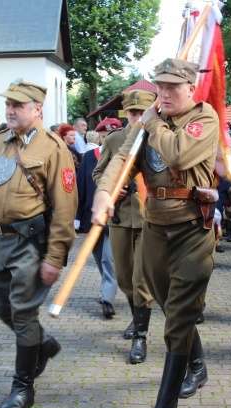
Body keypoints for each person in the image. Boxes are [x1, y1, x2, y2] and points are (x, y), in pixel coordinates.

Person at [91, 58, 219, 408]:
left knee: (178, 315)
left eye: (172, 87)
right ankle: (197, 364)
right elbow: (122, 160)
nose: (163, 93)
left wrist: (152, 122)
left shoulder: (203, 118)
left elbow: (177, 152)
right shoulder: (148, 121)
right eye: (160, 86)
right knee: (171, 307)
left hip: (193, 230)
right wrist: (105, 193)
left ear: (190, 89)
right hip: (155, 229)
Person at [0, 79, 77, 408]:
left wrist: (55, 257)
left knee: (23, 312)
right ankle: (42, 345)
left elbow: (64, 208)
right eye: (8, 104)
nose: (11, 110)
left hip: (29, 241)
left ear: (37, 109)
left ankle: (22, 387)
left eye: (18, 105)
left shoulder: (53, 148)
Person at [93, 89, 157, 364]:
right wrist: (110, 191)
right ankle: (136, 317)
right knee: (123, 276)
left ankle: (140, 336)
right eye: (131, 113)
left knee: (142, 279)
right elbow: (99, 172)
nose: (135, 118)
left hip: (149, 218)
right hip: (120, 217)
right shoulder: (117, 139)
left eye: (140, 113)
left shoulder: (159, 138)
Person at [75, 127, 118, 319]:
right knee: (99, 255)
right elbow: (81, 185)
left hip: (114, 216)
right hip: (92, 215)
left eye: (111, 135)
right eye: (104, 136)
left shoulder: (122, 156)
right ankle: (107, 284)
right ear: (99, 137)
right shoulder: (89, 156)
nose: (107, 138)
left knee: (109, 258)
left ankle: (107, 297)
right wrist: (77, 216)